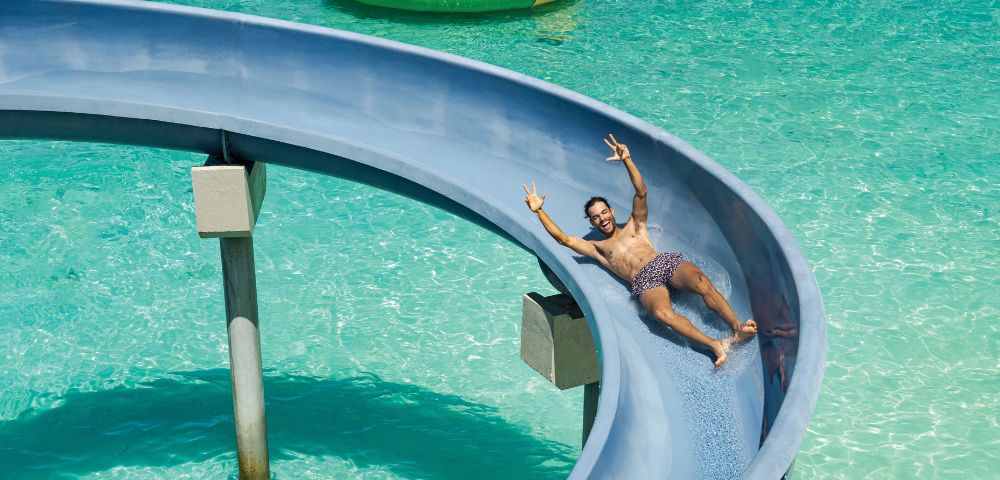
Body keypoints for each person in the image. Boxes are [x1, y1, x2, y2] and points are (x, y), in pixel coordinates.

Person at [521, 134, 757, 367]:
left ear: (612, 211)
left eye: (604, 212)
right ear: (592, 222)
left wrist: (627, 160)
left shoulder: (635, 224)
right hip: (644, 281)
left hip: (663, 263)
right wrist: (539, 211)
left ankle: (737, 327)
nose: (602, 219)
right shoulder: (596, 248)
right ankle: (715, 344)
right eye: (595, 217)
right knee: (662, 314)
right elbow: (563, 239)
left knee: (702, 283)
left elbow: (641, 191)